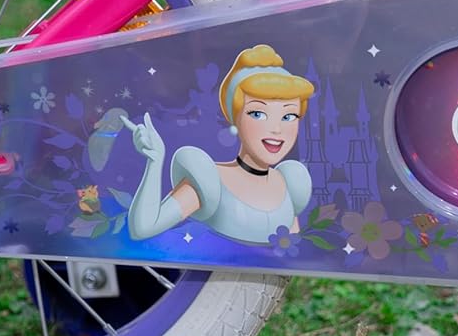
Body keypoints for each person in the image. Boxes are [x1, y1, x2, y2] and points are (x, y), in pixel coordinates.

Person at [123, 44, 315, 245]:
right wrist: (155, 161)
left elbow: (293, 250)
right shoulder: (209, 180)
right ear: (235, 116)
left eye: (289, 116)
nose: (276, 129)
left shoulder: (291, 183)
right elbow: (143, 229)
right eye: (258, 114)